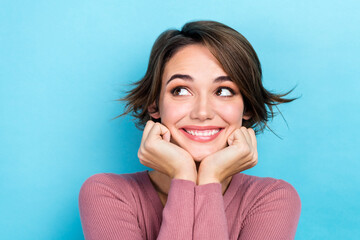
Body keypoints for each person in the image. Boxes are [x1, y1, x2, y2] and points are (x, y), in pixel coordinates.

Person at [79, 20, 301, 240]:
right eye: (181, 91)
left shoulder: (272, 198)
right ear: (154, 104)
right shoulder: (108, 193)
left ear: (248, 107)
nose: (202, 112)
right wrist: (184, 177)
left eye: (223, 91)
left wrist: (209, 178)